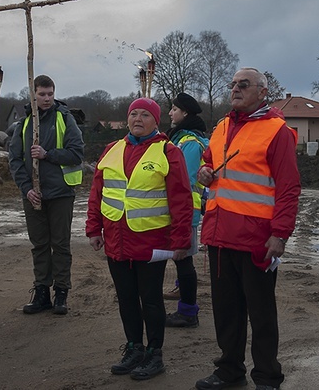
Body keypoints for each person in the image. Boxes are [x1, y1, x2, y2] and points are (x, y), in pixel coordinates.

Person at [195, 68, 301, 390]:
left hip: (257, 240)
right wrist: (204, 170)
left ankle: (267, 376)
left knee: (261, 313)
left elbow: (289, 188)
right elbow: (209, 159)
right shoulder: (222, 126)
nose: (236, 89)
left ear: (262, 92)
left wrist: (280, 235)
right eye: (233, 85)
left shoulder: (276, 131)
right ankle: (229, 370)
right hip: (219, 235)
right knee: (227, 312)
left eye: (244, 85)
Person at [86, 97, 193, 381]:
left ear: (156, 121)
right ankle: (134, 347)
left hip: (151, 241)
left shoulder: (168, 152)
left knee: (152, 300)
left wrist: (182, 240)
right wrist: (93, 229)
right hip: (116, 240)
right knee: (126, 299)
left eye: (145, 114)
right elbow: (97, 192)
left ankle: (154, 353)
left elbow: (181, 199)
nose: (137, 119)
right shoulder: (112, 149)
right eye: (134, 114)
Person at [9, 75, 84, 315]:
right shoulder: (23, 124)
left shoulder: (65, 118)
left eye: (50, 93)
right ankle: (41, 290)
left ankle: (61, 292)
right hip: (34, 195)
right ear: (33, 95)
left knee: (60, 245)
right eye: (42, 94)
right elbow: (15, 160)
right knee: (39, 245)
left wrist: (47, 154)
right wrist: (27, 189)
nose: (47, 98)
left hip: (61, 192)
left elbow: (76, 153)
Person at [164, 92, 209, 328]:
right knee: (181, 259)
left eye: (174, 109)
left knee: (184, 259)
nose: (170, 113)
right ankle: (182, 292)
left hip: (186, 209)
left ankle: (188, 310)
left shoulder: (190, 143)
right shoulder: (180, 138)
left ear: (185, 113)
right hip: (182, 207)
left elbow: (186, 179)